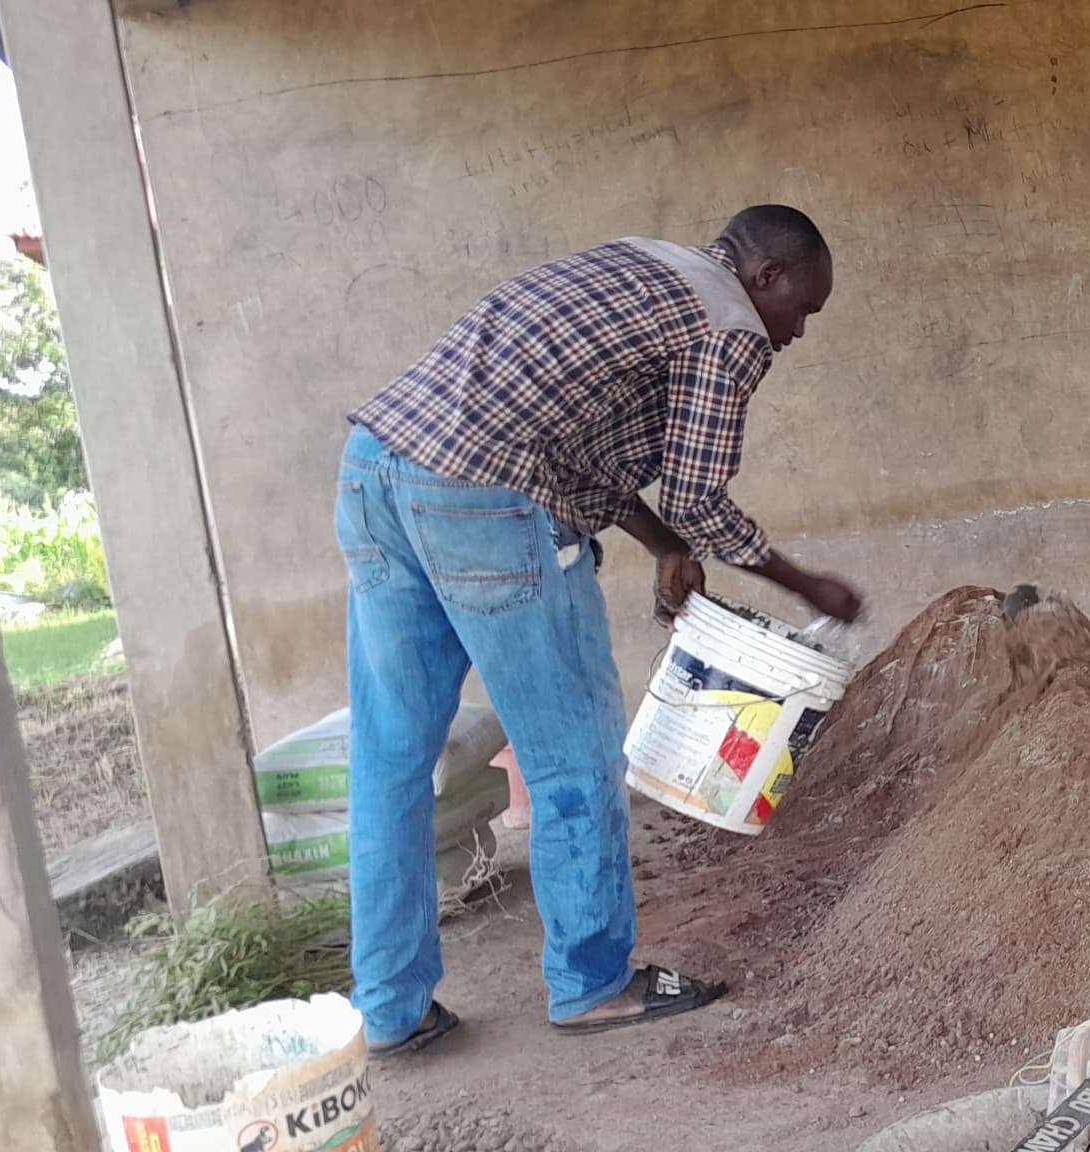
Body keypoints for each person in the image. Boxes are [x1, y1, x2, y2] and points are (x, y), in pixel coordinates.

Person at [336, 205, 863, 1055]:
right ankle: (591, 984)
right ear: (764, 276)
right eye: (802, 308)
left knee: (391, 762)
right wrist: (810, 586)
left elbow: (582, 454)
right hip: (484, 505)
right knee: (573, 760)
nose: (796, 333)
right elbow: (698, 497)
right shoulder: (729, 323)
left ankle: (391, 1011)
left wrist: (663, 546)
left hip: (374, 472)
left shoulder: (644, 263)